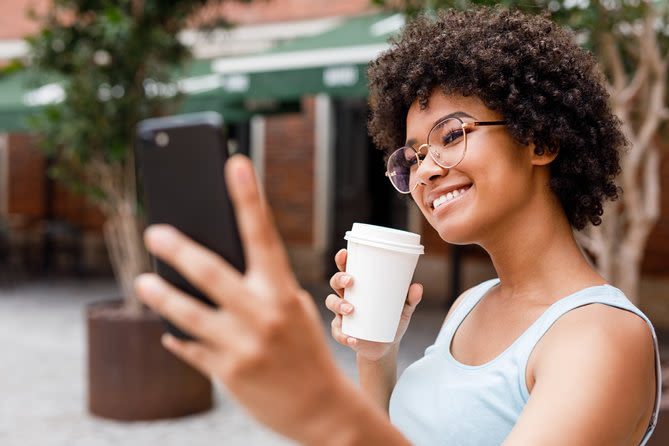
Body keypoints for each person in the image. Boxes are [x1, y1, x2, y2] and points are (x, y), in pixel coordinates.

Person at [135, 7, 661, 446]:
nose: (427, 169)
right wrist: (376, 355)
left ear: (540, 140)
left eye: (451, 135)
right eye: (413, 154)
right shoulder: (469, 306)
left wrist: (317, 403)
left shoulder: (602, 337)